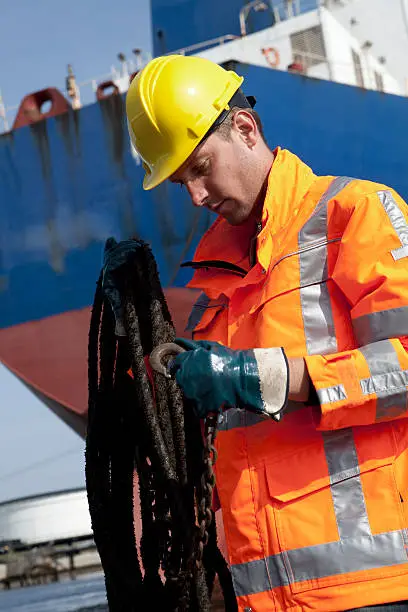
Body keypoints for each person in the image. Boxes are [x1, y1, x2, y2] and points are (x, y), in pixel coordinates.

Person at [125, 54, 408, 611]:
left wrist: (263, 376)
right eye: (183, 181)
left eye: (201, 167)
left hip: (377, 587)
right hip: (265, 601)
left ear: (245, 129)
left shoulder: (353, 216)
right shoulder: (216, 292)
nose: (197, 196)